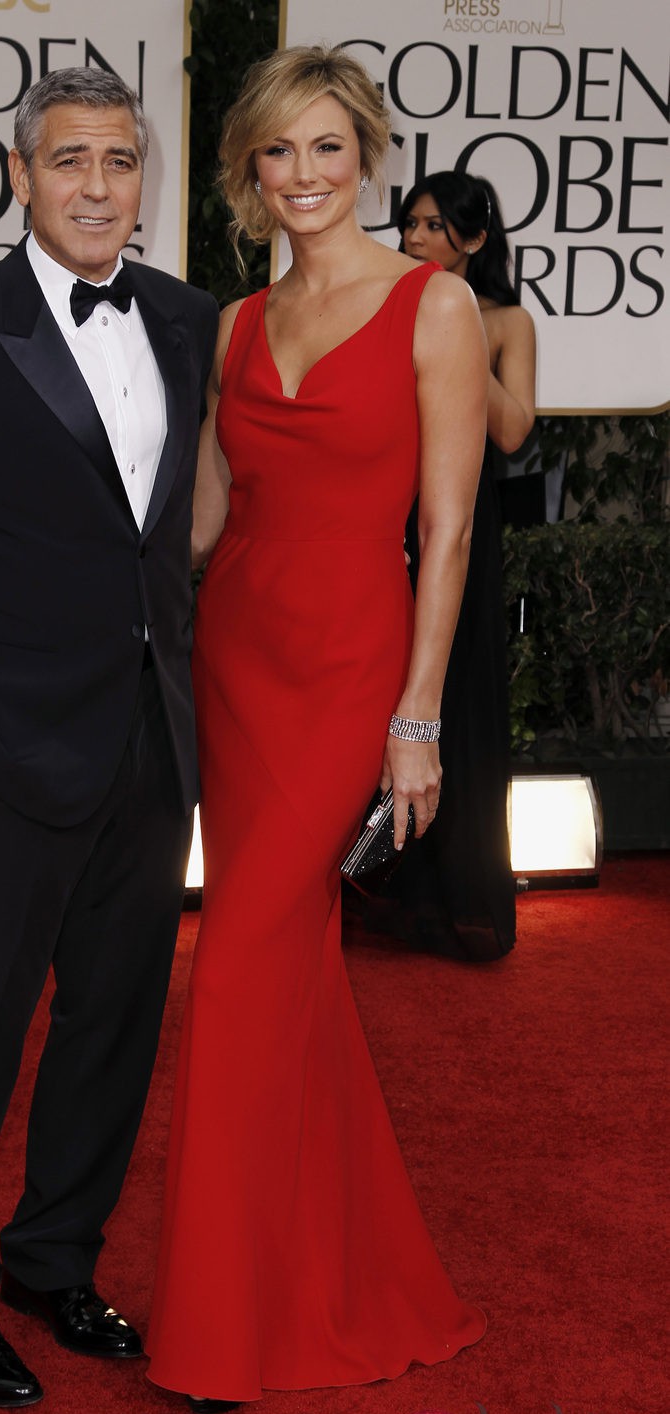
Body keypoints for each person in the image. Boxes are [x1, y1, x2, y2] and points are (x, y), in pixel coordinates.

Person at [144, 46, 488, 1412]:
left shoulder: (433, 303)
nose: (302, 175)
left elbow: (449, 525)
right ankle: (338, 1263)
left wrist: (418, 717)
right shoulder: (233, 324)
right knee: (284, 974)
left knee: (234, 964)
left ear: (369, 156)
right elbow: (212, 516)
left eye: (326, 149)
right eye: (276, 153)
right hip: (239, 659)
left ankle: (221, 1327)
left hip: (352, 670)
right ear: (246, 171)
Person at [0, 67, 217, 1409]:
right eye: (68, 160)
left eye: (120, 161)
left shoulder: (185, 320)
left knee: (115, 1024)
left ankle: (51, 1254)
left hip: (150, 741)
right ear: (21, 176)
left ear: (145, 180)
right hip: (9, 750)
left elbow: (183, 529)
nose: (95, 185)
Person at [366, 171, 536, 961]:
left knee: (452, 699)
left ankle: (453, 899)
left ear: (474, 238)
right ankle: (377, 885)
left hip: (463, 520)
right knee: (375, 691)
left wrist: (459, 326)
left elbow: (511, 435)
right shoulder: (385, 303)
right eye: (409, 226)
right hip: (388, 508)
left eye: (435, 228)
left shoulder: (506, 320)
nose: (415, 241)